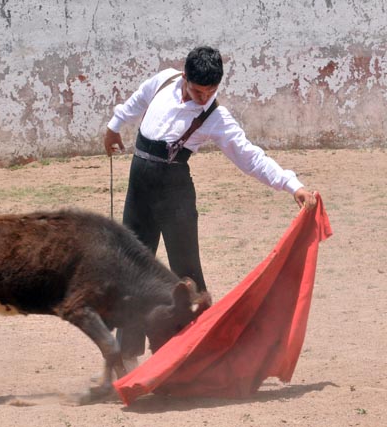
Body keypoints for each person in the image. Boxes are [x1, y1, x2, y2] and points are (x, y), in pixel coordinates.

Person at [103, 46, 317, 366]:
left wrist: (291, 184)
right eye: (198, 90)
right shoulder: (164, 81)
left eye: (211, 91)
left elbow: (249, 156)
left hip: (175, 193)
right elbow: (137, 100)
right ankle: (126, 360)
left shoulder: (215, 117)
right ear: (184, 76)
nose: (204, 98)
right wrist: (114, 126)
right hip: (139, 185)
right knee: (131, 268)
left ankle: (196, 357)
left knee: (187, 273)